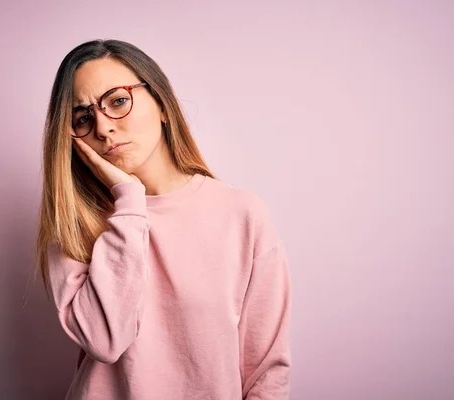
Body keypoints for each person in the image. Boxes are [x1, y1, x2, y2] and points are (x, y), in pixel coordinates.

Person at [35, 39, 292, 400]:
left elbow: (266, 370)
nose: (104, 127)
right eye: (83, 117)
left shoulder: (242, 215)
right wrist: (128, 202)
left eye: (118, 101)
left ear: (163, 106)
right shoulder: (75, 225)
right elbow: (105, 341)